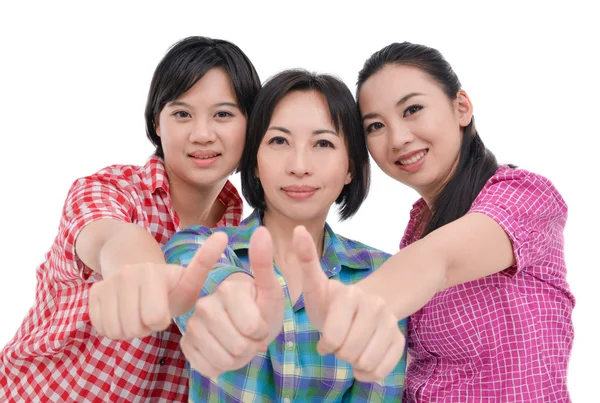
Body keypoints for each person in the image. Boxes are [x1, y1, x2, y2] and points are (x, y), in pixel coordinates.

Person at [307, 41, 575, 402]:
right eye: (375, 126)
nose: (398, 138)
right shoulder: (417, 229)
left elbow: (441, 262)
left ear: (461, 107)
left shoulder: (523, 196)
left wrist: (346, 310)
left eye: (413, 109)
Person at [0, 36, 261, 402]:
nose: (202, 134)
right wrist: (138, 270)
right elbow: (110, 236)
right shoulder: (110, 190)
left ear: (252, 126)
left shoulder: (244, 240)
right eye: (182, 113)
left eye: (223, 114)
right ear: (157, 123)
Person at [164, 69, 408, 402]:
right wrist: (233, 291)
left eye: (323, 143)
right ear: (254, 163)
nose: (299, 165)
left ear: (350, 167)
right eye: (279, 141)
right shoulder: (198, 246)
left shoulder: (384, 276)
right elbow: (194, 273)